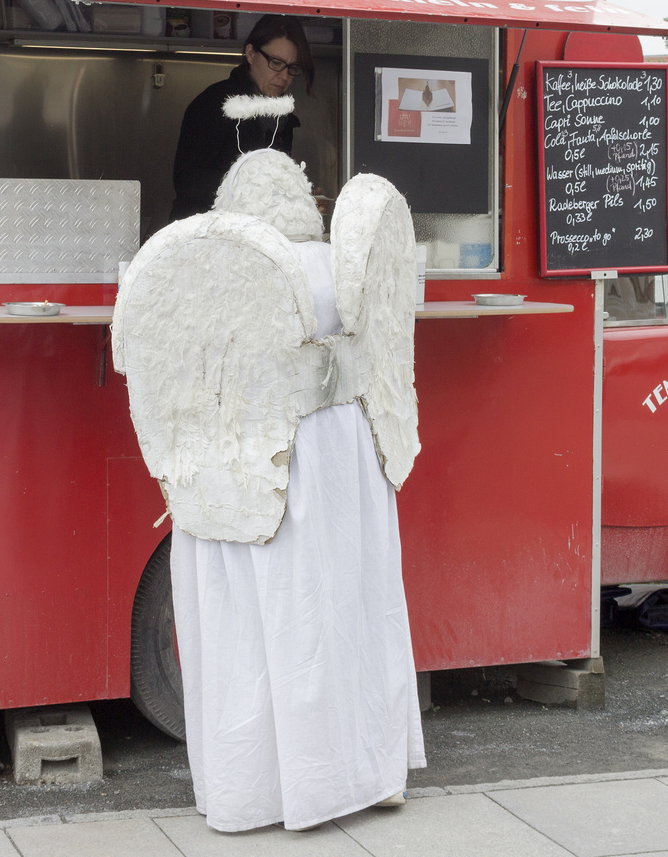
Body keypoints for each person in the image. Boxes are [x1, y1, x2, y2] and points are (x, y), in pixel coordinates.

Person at [120, 152, 425, 832]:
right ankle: (371, 775)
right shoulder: (336, 265)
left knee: (255, 627)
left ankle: (254, 789)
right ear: (305, 204)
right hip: (347, 463)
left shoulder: (205, 271)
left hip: (247, 467)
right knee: (347, 612)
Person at [169, 14, 315, 219]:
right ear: (250, 53)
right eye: (275, 62)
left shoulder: (282, 114)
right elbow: (188, 182)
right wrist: (253, 186)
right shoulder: (216, 103)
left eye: (292, 68)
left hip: (255, 234)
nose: (284, 77)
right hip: (203, 232)